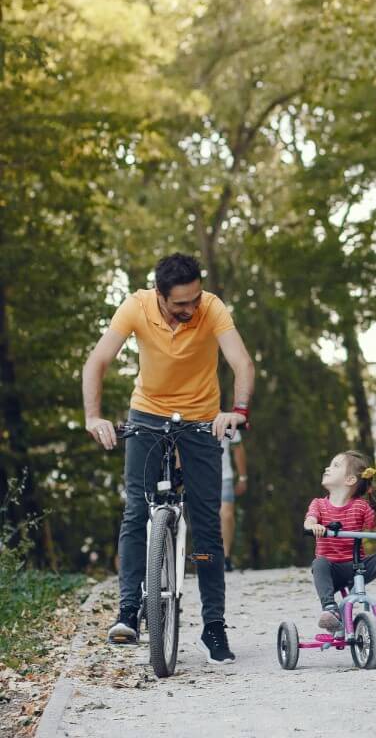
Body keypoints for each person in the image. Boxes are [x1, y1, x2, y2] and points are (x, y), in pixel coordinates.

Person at [82, 253, 254, 664]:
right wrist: (93, 416)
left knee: (207, 522)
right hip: (147, 414)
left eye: (194, 299)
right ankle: (128, 611)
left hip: (201, 419)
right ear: (160, 295)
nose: (190, 309)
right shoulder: (136, 306)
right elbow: (98, 360)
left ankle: (213, 627)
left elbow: (241, 362)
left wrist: (238, 410)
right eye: (181, 304)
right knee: (136, 511)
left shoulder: (211, 307)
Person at [304, 451, 376, 630]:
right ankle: (330, 610)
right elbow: (310, 520)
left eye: (335, 465)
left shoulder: (361, 506)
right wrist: (313, 526)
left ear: (350, 480)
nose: (328, 468)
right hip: (332, 572)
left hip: (358, 568)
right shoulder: (319, 504)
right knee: (319, 563)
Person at [220, 429, 248, 571]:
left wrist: (243, 477)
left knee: (226, 515)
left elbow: (238, 448)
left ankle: (225, 556)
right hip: (200, 477)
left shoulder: (228, 423)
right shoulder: (192, 418)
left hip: (225, 476)